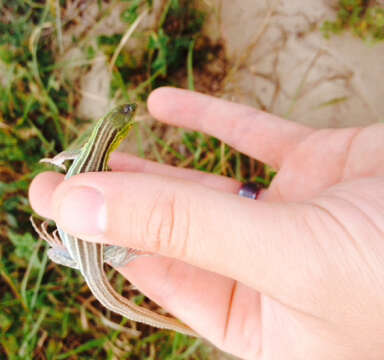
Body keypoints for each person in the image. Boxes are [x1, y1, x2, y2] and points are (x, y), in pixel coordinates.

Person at [29, 87, 384, 360]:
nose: (128, 117)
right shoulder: (100, 157)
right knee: (109, 247)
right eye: (124, 118)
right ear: (115, 136)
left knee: (80, 242)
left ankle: (59, 248)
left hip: (86, 255)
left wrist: (59, 161)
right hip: (95, 256)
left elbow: (72, 157)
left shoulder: (90, 150)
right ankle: (66, 248)